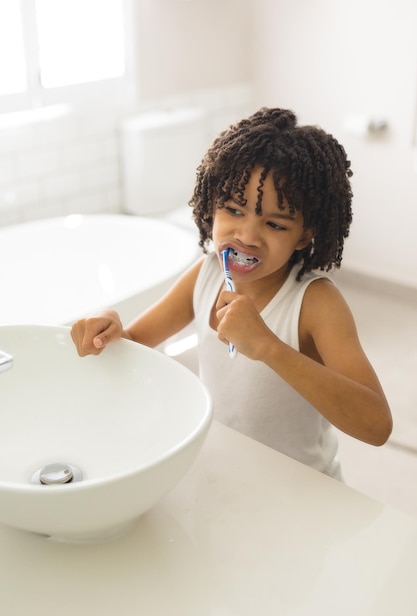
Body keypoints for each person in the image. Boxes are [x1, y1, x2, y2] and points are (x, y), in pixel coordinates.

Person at [71, 107, 392, 480]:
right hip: (224, 470)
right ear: (212, 206)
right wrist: (108, 331)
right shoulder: (206, 273)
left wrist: (269, 347)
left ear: (305, 236)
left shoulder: (315, 303)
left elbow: (376, 425)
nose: (247, 236)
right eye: (234, 210)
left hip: (303, 489)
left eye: (274, 223)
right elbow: (134, 345)